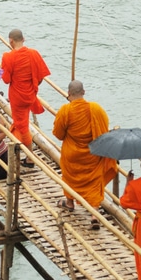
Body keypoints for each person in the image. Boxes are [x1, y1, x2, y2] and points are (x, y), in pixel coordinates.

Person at [51, 80, 117, 224]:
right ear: (84, 92)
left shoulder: (65, 110)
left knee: (69, 176)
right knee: (94, 181)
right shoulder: (95, 109)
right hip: (92, 155)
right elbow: (103, 131)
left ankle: (69, 202)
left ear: (69, 94)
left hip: (72, 155)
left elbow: (58, 134)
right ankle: (94, 213)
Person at [0, 29, 51, 154]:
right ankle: (18, 145)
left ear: (11, 41)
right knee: (22, 121)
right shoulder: (34, 53)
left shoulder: (8, 57)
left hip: (17, 97)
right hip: (30, 95)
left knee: (22, 126)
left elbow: (6, 80)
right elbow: (41, 76)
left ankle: (30, 156)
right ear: (23, 39)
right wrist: (33, 87)